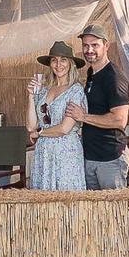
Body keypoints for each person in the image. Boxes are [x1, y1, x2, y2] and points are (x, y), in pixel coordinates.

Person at [66, 24, 129, 190]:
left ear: (106, 45)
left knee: (114, 210)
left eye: (95, 45)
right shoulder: (91, 74)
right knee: (93, 212)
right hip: (90, 156)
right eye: (86, 45)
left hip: (110, 158)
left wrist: (83, 117)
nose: (89, 50)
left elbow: (120, 120)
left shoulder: (114, 78)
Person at [25, 41, 88, 190]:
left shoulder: (75, 91)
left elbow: (64, 128)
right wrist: (30, 97)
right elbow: (31, 126)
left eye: (63, 60)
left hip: (66, 153)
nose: (58, 64)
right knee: (44, 202)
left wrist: (39, 133)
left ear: (71, 64)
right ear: (50, 64)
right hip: (44, 154)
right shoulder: (45, 90)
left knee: (66, 199)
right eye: (54, 60)